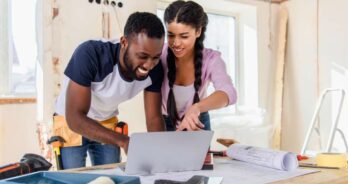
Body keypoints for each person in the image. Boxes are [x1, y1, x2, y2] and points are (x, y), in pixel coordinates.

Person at [53, 12, 165, 169]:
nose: (148, 65)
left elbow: (154, 118)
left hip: (106, 120)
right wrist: (123, 141)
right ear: (124, 42)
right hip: (71, 120)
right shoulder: (90, 54)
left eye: (155, 57)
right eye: (142, 56)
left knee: (111, 179)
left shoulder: (156, 69)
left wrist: (163, 154)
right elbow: (75, 117)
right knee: (72, 182)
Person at [161, 0, 237, 131]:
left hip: (197, 121)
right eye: (171, 35)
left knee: (202, 153)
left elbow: (229, 93)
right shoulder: (159, 53)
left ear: (198, 31)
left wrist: (197, 108)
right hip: (164, 121)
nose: (176, 43)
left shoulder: (211, 59)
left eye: (184, 36)